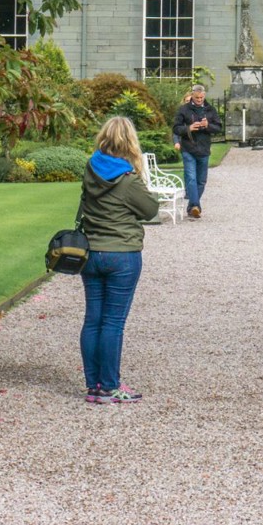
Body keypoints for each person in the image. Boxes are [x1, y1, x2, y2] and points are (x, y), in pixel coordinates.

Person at [78, 115, 159, 403]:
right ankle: (110, 385)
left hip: (91, 253)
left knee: (93, 320)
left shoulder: (91, 169)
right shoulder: (127, 179)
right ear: (130, 142)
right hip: (121, 254)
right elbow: (150, 210)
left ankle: (94, 386)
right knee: (113, 322)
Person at [170, 83, 220, 219]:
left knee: (202, 181)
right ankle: (196, 205)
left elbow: (218, 127)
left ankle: (192, 206)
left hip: (204, 148)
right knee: (191, 178)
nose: (199, 100)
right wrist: (189, 128)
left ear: (204, 96)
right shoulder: (184, 110)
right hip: (188, 148)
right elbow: (175, 128)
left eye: (201, 98)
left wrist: (207, 125)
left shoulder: (210, 110)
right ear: (192, 95)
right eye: (197, 97)